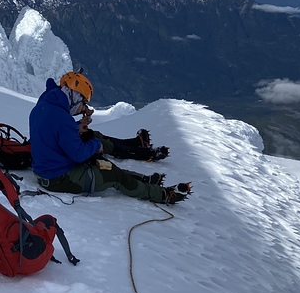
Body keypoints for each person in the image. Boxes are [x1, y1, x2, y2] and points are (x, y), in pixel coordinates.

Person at [29, 72, 191, 205]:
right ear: (75, 97)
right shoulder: (62, 118)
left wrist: (77, 127)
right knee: (111, 173)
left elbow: (55, 131)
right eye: (83, 102)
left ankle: (144, 180)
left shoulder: (43, 106)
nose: (82, 107)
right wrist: (96, 145)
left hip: (48, 171)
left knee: (105, 166)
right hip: (59, 178)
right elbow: (78, 153)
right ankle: (162, 195)